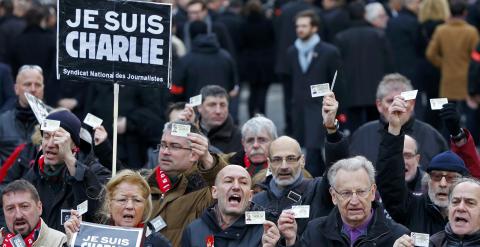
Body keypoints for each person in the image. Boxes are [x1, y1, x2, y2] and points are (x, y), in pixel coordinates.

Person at [376, 94, 477, 235]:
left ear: (462, 184)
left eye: (450, 178)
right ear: (428, 181)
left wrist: (457, 134)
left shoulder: (473, 214)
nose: (442, 183)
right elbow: (389, 181)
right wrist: (393, 129)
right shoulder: (410, 207)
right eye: (436, 177)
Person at [252, 92, 348, 235]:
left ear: (302, 161)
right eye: (277, 160)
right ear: (269, 164)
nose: (284, 166)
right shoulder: (256, 202)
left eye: (290, 159)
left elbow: (338, 169)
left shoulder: (319, 191)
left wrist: (331, 129)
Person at [278, 156, 409, 246]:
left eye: (361, 192)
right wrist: (291, 241)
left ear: (373, 192)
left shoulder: (398, 236)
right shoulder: (315, 231)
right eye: (346, 193)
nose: (354, 200)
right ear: (333, 196)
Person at [23, 110, 110, 232]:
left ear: (74, 144)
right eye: (46, 136)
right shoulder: (33, 175)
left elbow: (95, 213)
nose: (50, 144)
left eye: (58, 138)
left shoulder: (95, 172)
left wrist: (69, 158)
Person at [146, 120, 228, 246]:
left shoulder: (204, 189)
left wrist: (207, 158)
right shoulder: (143, 185)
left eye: (175, 146)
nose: (165, 151)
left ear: (194, 154)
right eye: (163, 145)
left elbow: (227, 187)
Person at [283, 9, 341, 176]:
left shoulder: (329, 52)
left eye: (304, 26)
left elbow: (339, 83)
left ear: (314, 28)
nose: (300, 29)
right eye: (298, 26)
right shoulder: (292, 52)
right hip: (299, 108)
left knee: (316, 152)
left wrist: (338, 111)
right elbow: (288, 83)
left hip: (320, 108)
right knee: (303, 150)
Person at [350, 73, 447, 168]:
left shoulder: (433, 137)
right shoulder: (362, 136)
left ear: (412, 104)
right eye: (390, 101)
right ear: (379, 105)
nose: (397, 106)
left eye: (403, 100)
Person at [65, 169, 171, 247]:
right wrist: (73, 242)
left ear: (145, 207)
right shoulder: (93, 238)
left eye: (137, 200)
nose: (129, 206)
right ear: (109, 204)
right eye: (122, 200)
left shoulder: (158, 243)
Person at [181, 165, 280, 247]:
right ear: (215, 192)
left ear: (250, 196)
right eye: (228, 181)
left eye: (243, 182)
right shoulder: (193, 230)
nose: (236, 187)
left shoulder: (267, 229)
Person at [334, 2, 394, 132]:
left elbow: (338, 67)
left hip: (351, 90)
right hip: (376, 89)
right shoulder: (379, 35)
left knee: (355, 128)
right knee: (377, 126)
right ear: (364, 15)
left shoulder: (341, 38)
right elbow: (389, 64)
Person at [427, 0, 480, 142]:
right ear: (465, 13)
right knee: (469, 115)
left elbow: (430, 53)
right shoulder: (471, 31)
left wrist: (443, 64)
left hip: (448, 79)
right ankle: (470, 142)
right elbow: (476, 57)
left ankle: (445, 142)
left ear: (450, 13)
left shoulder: (441, 30)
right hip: (466, 79)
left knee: (446, 113)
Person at [394, 178, 480, 246]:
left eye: (470, 203)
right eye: (455, 202)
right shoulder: (433, 243)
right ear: (448, 209)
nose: (460, 208)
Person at [171, 21, 238, 103]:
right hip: (220, 107)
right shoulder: (226, 57)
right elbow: (232, 86)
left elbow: (176, 89)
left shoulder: (186, 60)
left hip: (195, 107)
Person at [0, 65, 44, 165]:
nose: (33, 89)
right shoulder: (2, 122)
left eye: (38, 85)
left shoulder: (54, 121)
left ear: (43, 88)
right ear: (16, 88)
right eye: (27, 84)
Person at [2, 179, 66, 246]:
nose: (18, 215)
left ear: (39, 208)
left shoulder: (61, 242)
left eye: (24, 206)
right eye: (10, 208)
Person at [197, 85, 242, 154]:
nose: (218, 111)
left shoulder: (238, 137)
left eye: (223, 105)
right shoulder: (191, 130)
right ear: (199, 107)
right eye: (212, 105)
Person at [386, 0, 421, 81]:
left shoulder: (392, 21)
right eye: (418, 2)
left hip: (395, 65)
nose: (420, 6)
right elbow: (419, 46)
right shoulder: (413, 22)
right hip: (412, 66)